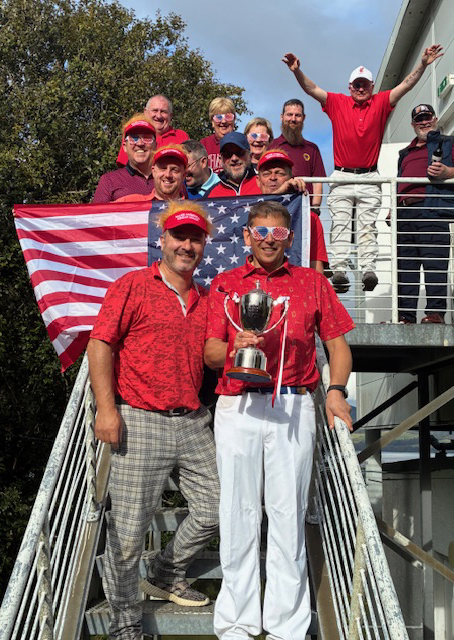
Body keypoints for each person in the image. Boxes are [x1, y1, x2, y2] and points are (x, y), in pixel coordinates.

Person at [204, 200, 354, 640]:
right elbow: (210, 352)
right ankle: (237, 623)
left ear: (290, 238)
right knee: (237, 512)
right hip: (237, 404)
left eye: (279, 233)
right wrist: (235, 347)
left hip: (292, 404)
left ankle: (287, 627)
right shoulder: (225, 284)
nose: (269, 241)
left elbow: (338, 347)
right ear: (247, 236)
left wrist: (336, 391)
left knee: (288, 516)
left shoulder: (311, 282)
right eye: (261, 233)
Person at [87, 201, 219, 640]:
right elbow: (100, 344)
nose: (187, 245)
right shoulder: (133, 285)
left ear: (204, 245)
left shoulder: (207, 298)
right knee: (127, 536)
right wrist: (107, 409)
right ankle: (125, 625)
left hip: (193, 420)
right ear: (161, 240)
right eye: (179, 236)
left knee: (220, 508)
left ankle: (165, 571)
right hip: (139, 418)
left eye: (195, 238)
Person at [283, 46, 443, 292]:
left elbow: (406, 85)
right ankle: (339, 271)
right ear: (350, 87)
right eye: (356, 85)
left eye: (364, 85)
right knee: (340, 224)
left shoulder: (381, 102)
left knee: (368, 226)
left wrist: (422, 64)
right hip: (342, 174)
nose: (360, 89)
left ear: (371, 86)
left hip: (369, 175)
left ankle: (368, 270)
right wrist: (296, 71)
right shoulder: (337, 102)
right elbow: (312, 89)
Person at [397, 104, 454, 325]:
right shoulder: (406, 152)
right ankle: (406, 317)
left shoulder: (448, 143)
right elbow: (399, 181)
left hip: (432, 209)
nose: (424, 122)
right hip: (404, 213)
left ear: (435, 119)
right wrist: (394, 207)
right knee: (406, 267)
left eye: (427, 117)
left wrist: (448, 172)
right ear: (413, 124)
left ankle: (436, 314)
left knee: (434, 264)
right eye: (419, 119)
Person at [255, 149, 329, 273]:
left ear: (291, 178)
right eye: (267, 174)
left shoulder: (309, 218)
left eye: (280, 173)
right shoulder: (246, 214)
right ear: (258, 180)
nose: (273, 178)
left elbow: (317, 270)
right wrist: (278, 194)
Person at [269, 99, 326, 214]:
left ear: (304, 118)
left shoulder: (312, 149)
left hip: (305, 210)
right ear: (282, 117)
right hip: (277, 209)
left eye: (297, 115)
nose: (293, 119)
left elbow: (318, 182)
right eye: (289, 114)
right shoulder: (271, 146)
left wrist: (315, 209)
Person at [92, 115, 156, 203]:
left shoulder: (168, 179)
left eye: (147, 138)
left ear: (156, 146)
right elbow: (98, 211)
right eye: (134, 138)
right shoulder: (109, 180)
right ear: (125, 147)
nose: (140, 143)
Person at [116, 94, 189, 167]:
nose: (158, 116)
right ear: (145, 112)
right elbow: (124, 166)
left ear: (170, 116)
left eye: (163, 112)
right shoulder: (132, 134)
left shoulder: (181, 136)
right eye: (155, 110)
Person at [115, 145, 187, 202]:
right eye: (163, 168)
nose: (168, 175)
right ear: (153, 171)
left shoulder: (191, 209)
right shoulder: (128, 203)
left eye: (174, 170)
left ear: (184, 175)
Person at [207, 132, 259, 197]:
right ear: (220, 160)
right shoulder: (211, 194)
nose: (234, 158)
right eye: (227, 154)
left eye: (240, 153)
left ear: (250, 156)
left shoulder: (264, 185)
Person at [201, 97, 237, 173]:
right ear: (212, 122)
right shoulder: (203, 145)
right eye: (218, 117)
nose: (223, 121)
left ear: (234, 120)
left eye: (228, 117)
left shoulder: (242, 144)